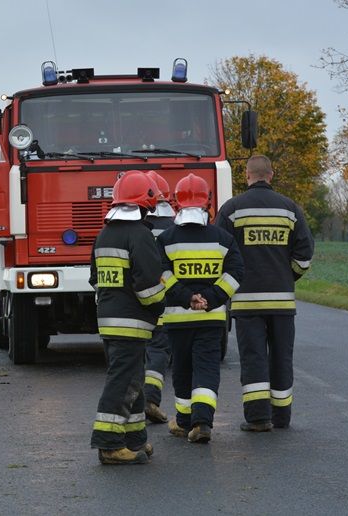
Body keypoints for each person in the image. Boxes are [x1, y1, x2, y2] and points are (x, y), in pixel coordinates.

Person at [214, 155, 314, 431]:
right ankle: (281, 417)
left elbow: (218, 251)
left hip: (246, 302)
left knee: (254, 356)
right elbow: (304, 255)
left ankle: (258, 418)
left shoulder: (232, 209)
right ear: (271, 175)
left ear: (247, 176)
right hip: (282, 302)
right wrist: (287, 276)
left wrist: (232, 282)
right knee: (282, 356)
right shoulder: (290, 209)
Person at [157, 173, 243, 443]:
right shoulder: (222, 238)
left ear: (176, 203)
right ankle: (203, 422)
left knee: (182, 369)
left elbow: (161, 274)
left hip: (177, 320)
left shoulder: (166, 239)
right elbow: (235, 273)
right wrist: (211, 298)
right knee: (206, 368)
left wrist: (187, 298)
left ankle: (183, 422)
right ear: (208, 202)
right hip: (211, 318)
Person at [89, 170, 166, 465]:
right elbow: (148, 287)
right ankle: (108, 444)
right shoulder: (141, 235)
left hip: (109, 321)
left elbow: (96, 279)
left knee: (133, 382)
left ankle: (134, 438)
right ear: (145, 202)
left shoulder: (104, 233)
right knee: (122, 383)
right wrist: (162, 306)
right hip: (132, 323)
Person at [143, 170, 175, 424]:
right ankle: (150, 399)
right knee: (158, 351)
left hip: (134, 305)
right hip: (166, 303)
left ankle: (135, 404)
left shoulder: (130, 226)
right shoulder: (176, 226)